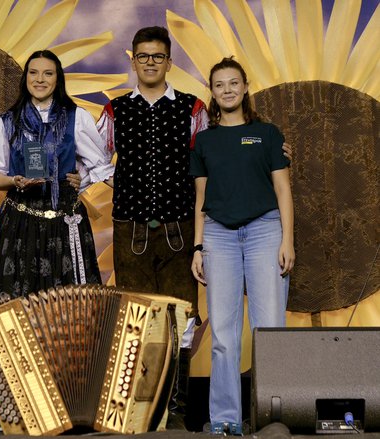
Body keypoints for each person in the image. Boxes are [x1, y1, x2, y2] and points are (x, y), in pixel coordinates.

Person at [97, 26, 207, 428]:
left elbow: (210, 161)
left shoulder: (193, 108)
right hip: (132, 231)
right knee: (135, 318)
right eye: (142, 56)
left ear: (169, 62)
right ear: (133, 61)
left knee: (181, 321)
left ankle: (176, 412)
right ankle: (139, 413)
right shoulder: (116, 109)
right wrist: (120, 184)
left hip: (180, 229)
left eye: (157, 56)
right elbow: (92, 157)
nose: (149, 63)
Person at [190, 57, 294, 435]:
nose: (228, 90)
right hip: (219, 236)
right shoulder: (204, 140)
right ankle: (225, 419)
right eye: (220, 85)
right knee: (223, 333)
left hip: (265, 232)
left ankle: (273, 415)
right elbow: (201, 199)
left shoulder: (267, 133)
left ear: (245, 86)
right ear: (213, 93)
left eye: (234, 83)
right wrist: (198, 248)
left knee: (269, 329)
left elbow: (283, 189)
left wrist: (288, 240)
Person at [0, 50, 114, 307]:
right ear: (25, 79)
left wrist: (79, 181)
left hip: (65, 223)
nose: (40, 79)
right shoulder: (5, 121)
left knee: (69, 308)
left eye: (48, 73)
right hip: (19, 224)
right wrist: (14, 181)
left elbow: (100, 165)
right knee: (18, 308)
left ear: (58, 79)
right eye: (33, 73)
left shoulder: (77, 118)